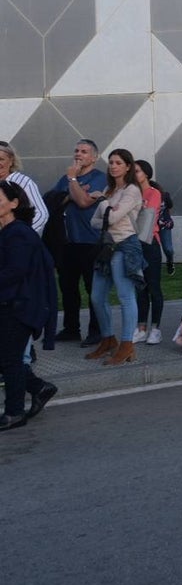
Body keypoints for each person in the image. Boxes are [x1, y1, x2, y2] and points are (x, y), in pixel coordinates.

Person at [0, 180, 58, 431]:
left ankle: (14, 413)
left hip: (20, 306)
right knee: (6, 358)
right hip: (10, 302)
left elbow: (15, 271)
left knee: (9, 360)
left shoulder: (19, 233)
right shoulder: (6, 232)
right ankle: (38, 387)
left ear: (14, 203)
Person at [84, 148, 144, 366]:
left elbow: (113, 217)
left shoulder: (131, 190)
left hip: (125, 246)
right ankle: (108, 339)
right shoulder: (110, 190)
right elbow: (95, 222)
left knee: (125, 296)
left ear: (128, 166)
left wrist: (101, 202)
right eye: (111, 162)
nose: (113, 166)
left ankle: (127, 345)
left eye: (118, 162)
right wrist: (107, 207)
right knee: (96, 296)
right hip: (107, 246)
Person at [52, 139, 107, 345]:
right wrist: (71, 192)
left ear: (94, 157)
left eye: (84, 151)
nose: (78, 154)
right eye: (76, 150)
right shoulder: (65, 178)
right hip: (68, 242)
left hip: (91, 242)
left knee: (94, 289)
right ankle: (71, 328)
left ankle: (97, 331)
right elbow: (53, 202)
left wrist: (73, 182)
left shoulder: (100, 178)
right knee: (68, 288)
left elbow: (84, 202)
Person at [131, 161, 165, 345]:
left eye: (137, 171)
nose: (134, 174)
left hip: (149, 243)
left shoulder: (153, 193)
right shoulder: (131, 192)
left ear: (146, 173)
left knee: (153, 287)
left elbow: (146, 215)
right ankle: (141, 327)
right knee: (140, 287)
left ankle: (156, 328)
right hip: (134, 244)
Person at [0, 142, 47, 234]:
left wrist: (21, 234)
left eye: (1, 159)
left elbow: (41, 214)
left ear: (11, 161)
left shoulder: (22, 182)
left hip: (15, 242)